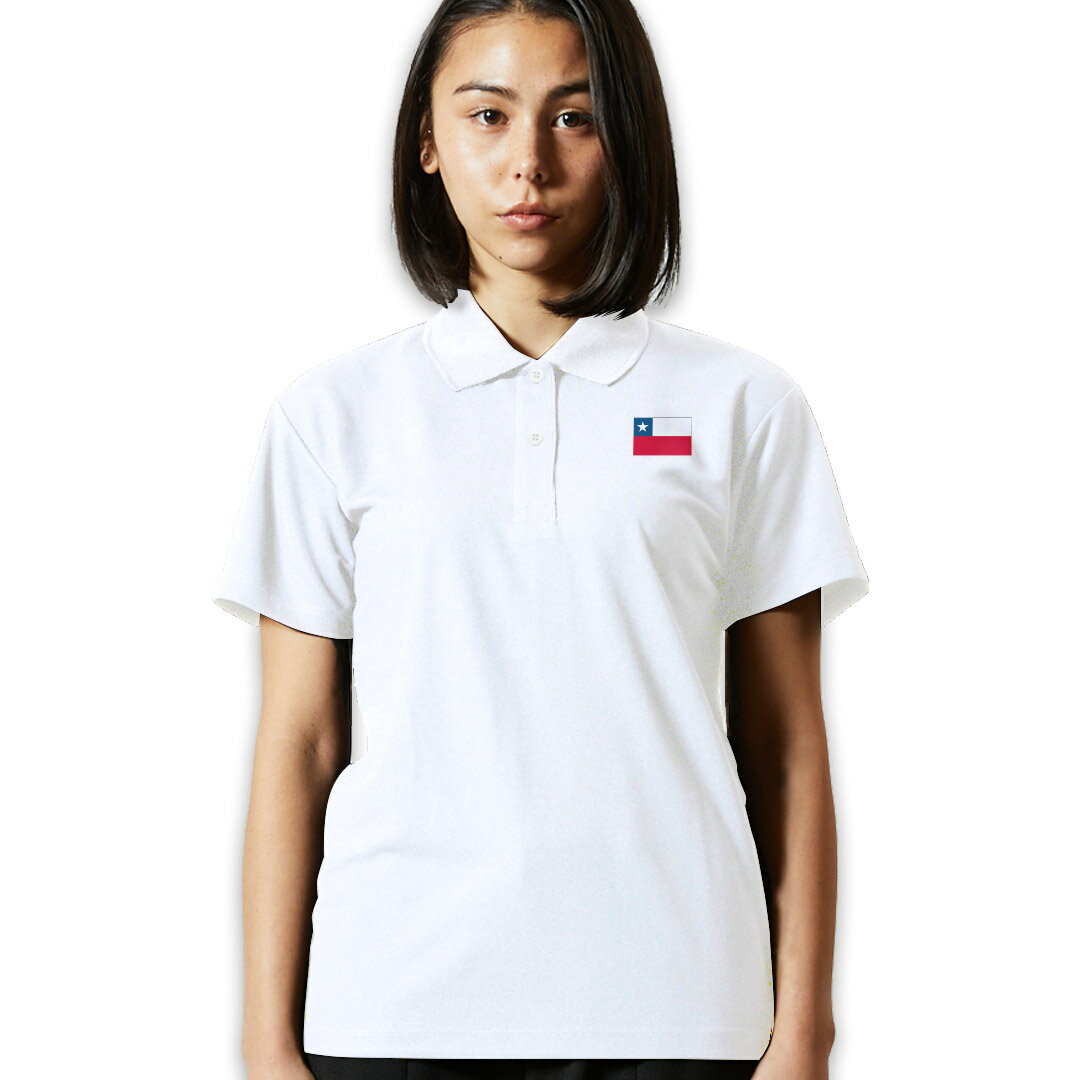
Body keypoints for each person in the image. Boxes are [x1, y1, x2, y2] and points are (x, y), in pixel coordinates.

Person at [212, 2, 870, 1080]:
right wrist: (264, 1041)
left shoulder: (742, 404)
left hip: (681, 1009)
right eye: (488, 115)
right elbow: (299, 745)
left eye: (575, 116)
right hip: (394, 1011)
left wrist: (804, 1032)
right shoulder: (333, 415)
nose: (529, 162)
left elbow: (787, 742)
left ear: (628, 136)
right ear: (427, 142)